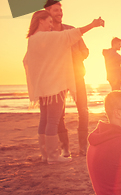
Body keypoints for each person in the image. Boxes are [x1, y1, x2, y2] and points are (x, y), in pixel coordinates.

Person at [23, 10, 104, 164]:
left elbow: (27, 61)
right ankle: (53, 157)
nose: (51, 25)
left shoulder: (32, 39)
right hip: (55, 86)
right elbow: (70, 35)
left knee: (44, 120)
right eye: (49, 22)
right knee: (52, 121)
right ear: (41, 21)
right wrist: (93, 25)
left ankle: (46, 155)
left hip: (43, 87)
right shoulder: (46, 36)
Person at [44, 0, 89, 156]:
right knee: (59, 115)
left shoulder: (71, 30)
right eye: (56, 11)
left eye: (60, 10)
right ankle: (65, 148)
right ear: (47, 12)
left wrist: (77, 54)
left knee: (83, 110)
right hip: (57, 79)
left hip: (77, 76)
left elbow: (86, 51)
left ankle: (84, 146)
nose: (60, 13)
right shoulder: (45, 34)